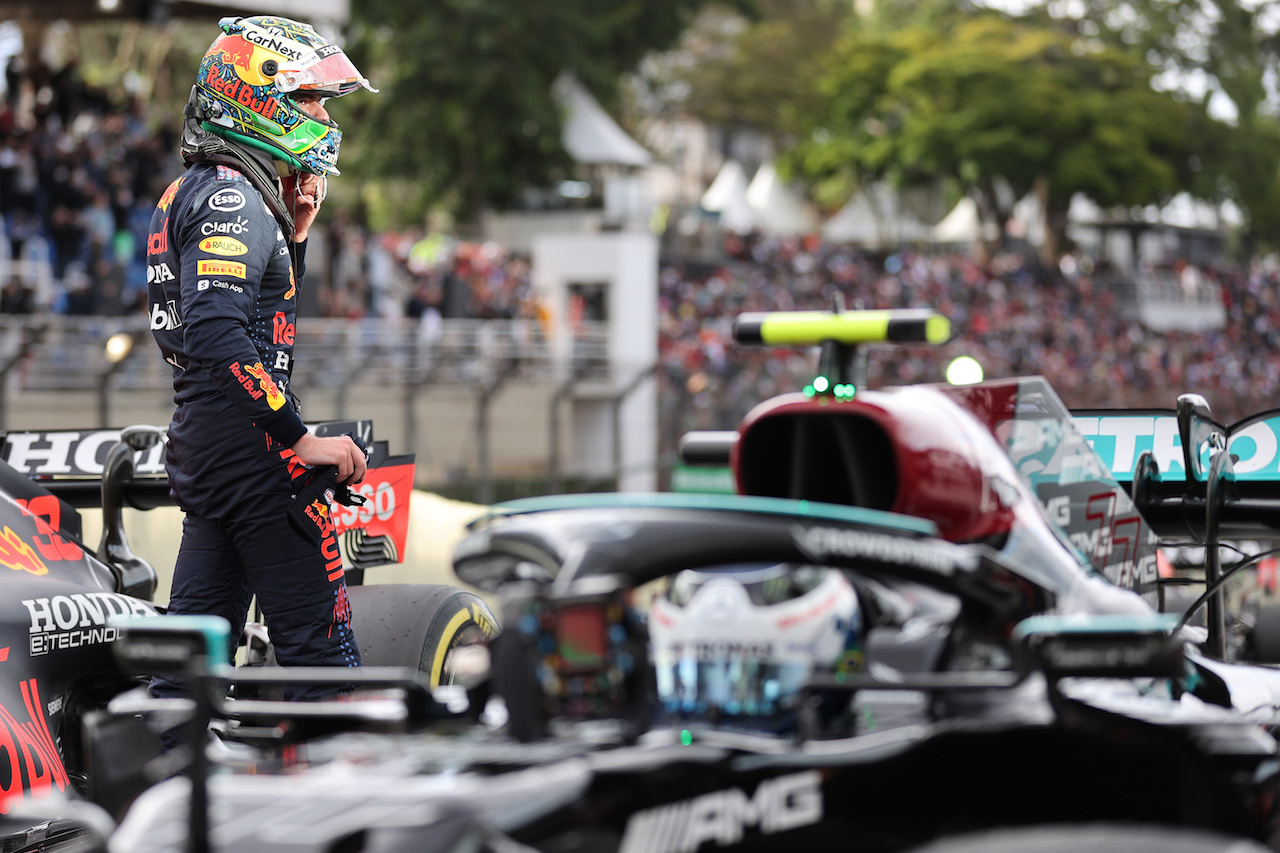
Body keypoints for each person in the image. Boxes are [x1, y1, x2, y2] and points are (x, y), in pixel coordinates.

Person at [145, 15, 376, 700]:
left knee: (189, 670)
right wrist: (299, 439)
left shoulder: (196, 190)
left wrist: (294, 233)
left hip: (208, 444)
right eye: (309, 99)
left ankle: (152, 791)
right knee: (326, 667)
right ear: (255, 97)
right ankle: (345, 806)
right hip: (254, 453)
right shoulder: (232, 197)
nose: (321, 117)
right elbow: (219, 332)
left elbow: (243, 321)